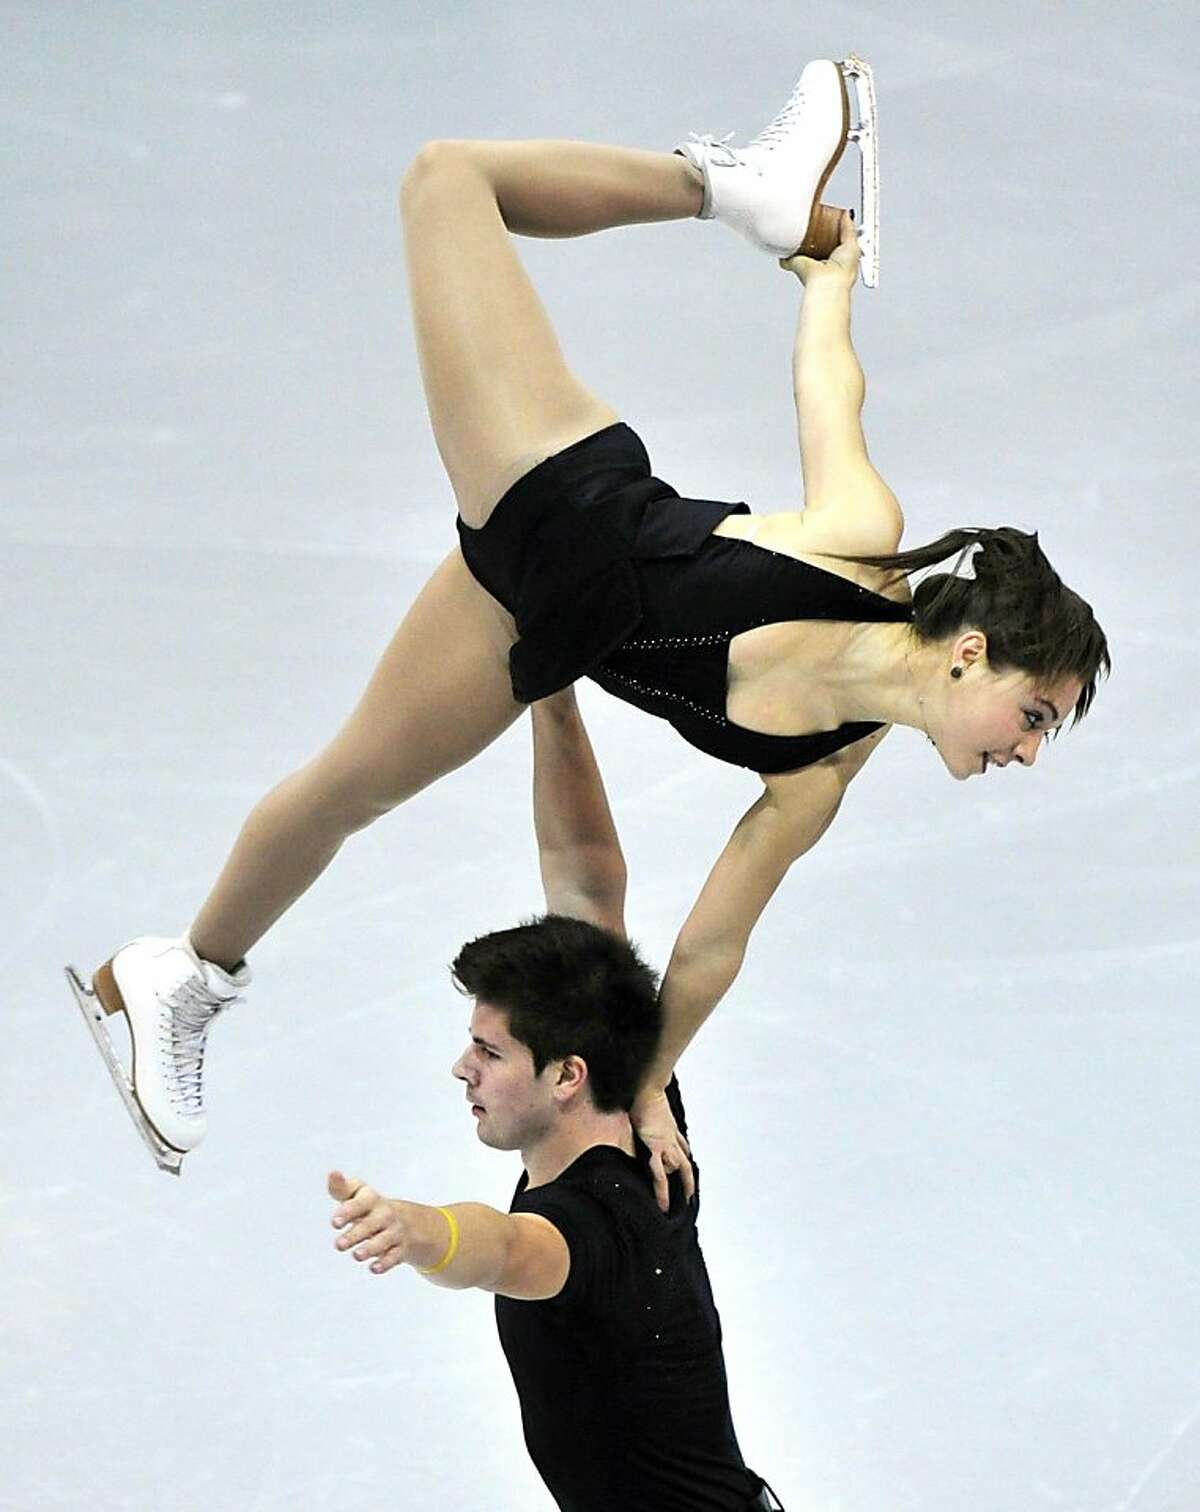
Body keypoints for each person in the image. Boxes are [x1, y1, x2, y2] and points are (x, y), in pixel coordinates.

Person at [84, 59, 1109, 1186]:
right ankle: (726, 186)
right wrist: (824, 285)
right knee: (448, 182)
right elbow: (830, 385)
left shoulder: (826, 769)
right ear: (974, 655)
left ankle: (179, 974)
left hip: (528, 608)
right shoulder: (861, 541)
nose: (1025, 748)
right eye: (1034, 714)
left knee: (347, 788)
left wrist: (641, 1086)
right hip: (559, 486)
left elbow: (710, 947)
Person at [326, 689, 784, 1510]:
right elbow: (587, 878)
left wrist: (416, 1228)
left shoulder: (586, 1234)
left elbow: (497, 1248)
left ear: (566, 1075)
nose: (462, 1068)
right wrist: (551, 692)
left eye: (490, 1052)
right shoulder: (639, 1094)